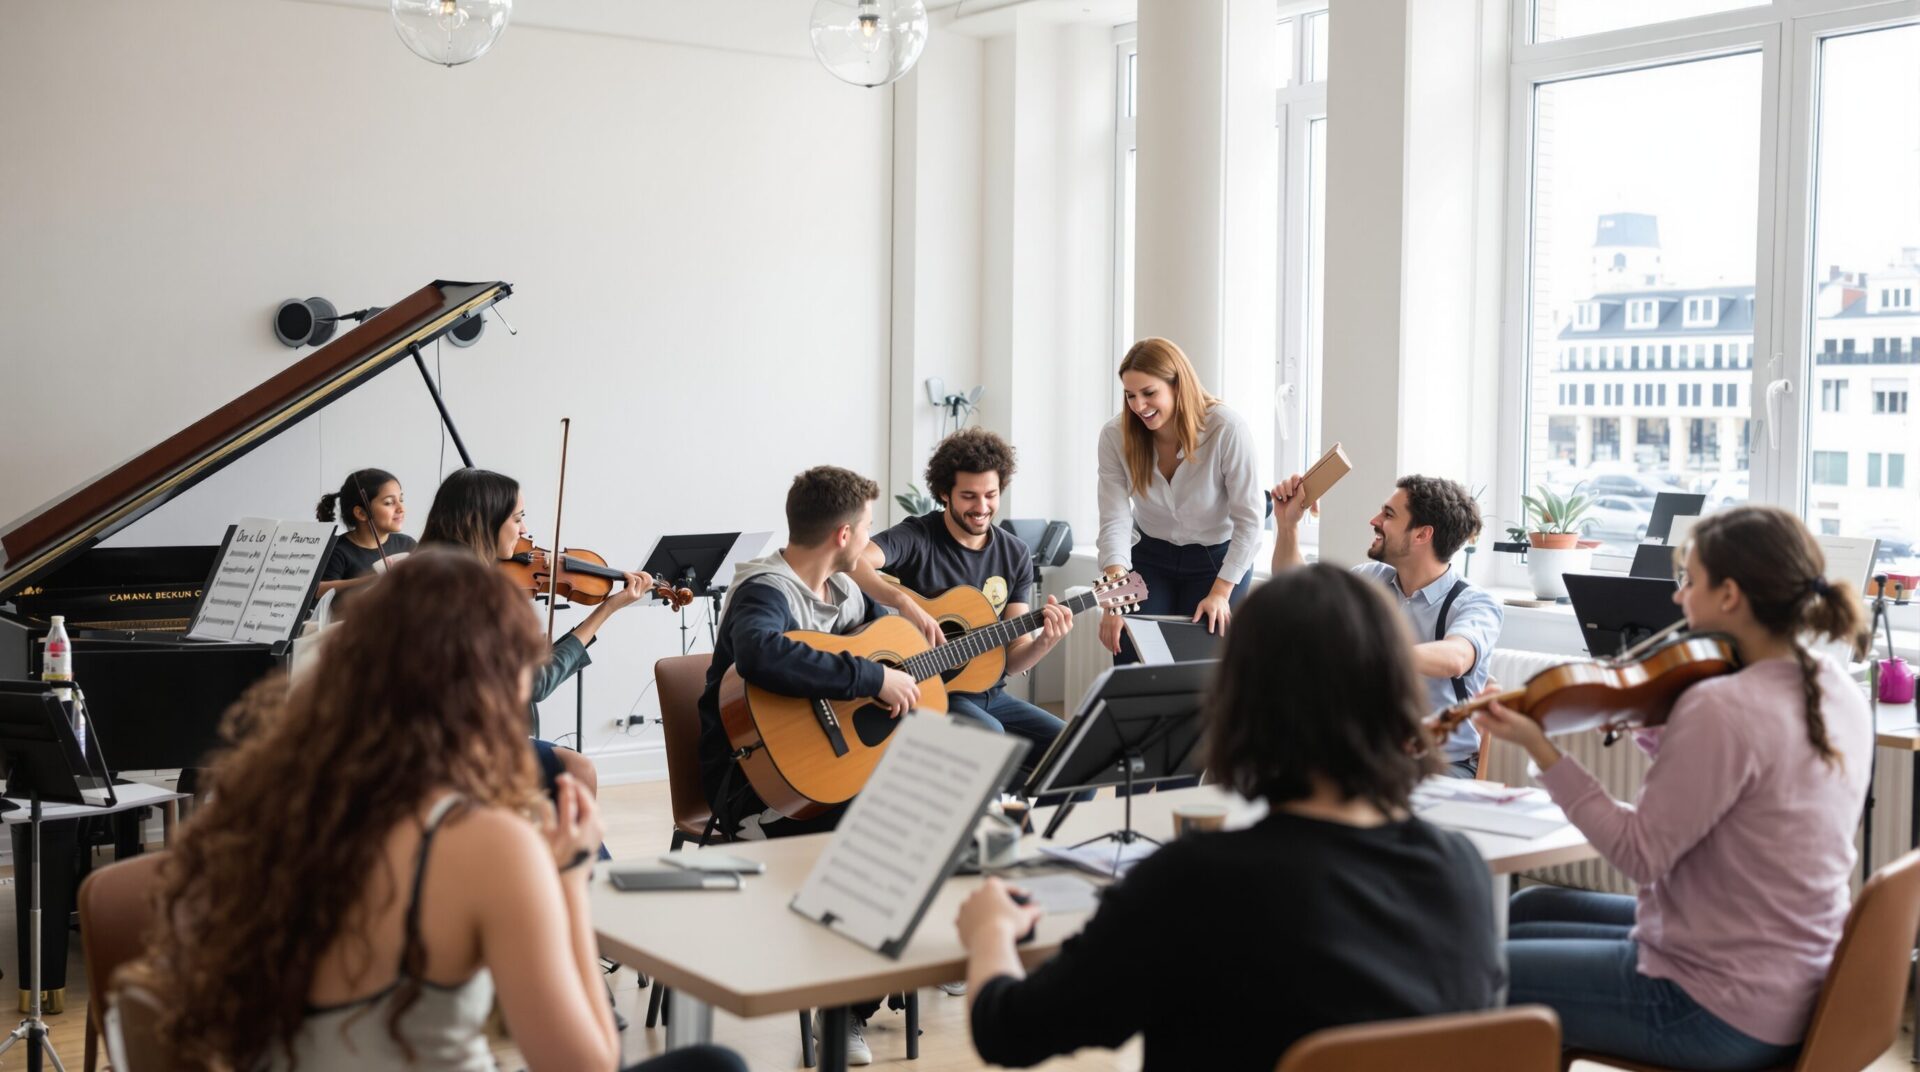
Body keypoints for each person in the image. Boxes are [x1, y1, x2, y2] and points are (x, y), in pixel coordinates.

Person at [130, 549, 746, 1072]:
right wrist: (564, 884)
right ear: (489, 683)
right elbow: (587, 1063)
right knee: (716, 1063)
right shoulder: (485, 842)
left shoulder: (258, 807)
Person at [955, 564, 1504, 1071]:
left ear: (1241, 701)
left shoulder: (1195, 882)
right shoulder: (1460, 870)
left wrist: (991, 931)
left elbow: (1010, 1030)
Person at [1479, 504, 1872, 1070]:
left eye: (1689, 580)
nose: (1678, 596)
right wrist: (1651, 722)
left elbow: (1639, 854)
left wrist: (1540, 749)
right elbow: (1732, 784)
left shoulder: (1723, 706)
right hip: (1790, 975)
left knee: (1473, 972)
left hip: (1713, 1006)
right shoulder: (1834, 684)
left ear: (1730, 595)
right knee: (1530, 907)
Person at [696, 465, 916, 1064]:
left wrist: (890, 662)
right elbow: (760, 654)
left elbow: (877, 649)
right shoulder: (764, 589)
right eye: (866, 527)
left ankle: (866, 983)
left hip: (821, 769)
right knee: (881, 836)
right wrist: (870, 678)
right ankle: (843, 1011)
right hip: (753, 785)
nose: (870, 538)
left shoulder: (843, 591)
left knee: (922, 813)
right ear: (843, 536)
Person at [850, 429, 1073, 785]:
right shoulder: (917, 537)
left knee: (1074, 750)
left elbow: (1013, 659)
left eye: (991, 495)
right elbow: (854, 561)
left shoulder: (1014, 553)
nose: (982, 508)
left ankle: (1021, 815)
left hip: (991, 694)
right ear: (945, 493)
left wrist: (1045, 642)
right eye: (969, 496)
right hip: (931, 690)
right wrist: (904, 601)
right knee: (989, 737)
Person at [420, 467, 651, 799]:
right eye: (517, 519)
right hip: (463, 746)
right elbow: (537, 685)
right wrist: (607, 609)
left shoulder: (424, 574)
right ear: (478, 521)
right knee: (579, 770)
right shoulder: (476, 594)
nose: (524, 531)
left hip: (426, 737)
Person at [1271, 472, 1499, 777]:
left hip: (1441, 767)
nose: (1374, 520)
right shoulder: (1369, 579)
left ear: (1422, 535)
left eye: (1388, 515)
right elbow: (1295, 591)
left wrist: (1368, 652)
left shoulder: (1475, 603)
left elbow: (1455, 657)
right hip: (1366, 761)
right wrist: (1288, 526)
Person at [1095, 337, 1262, 661]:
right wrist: (1114, 598)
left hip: (1216, 559)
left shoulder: (1227, 429)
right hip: (1150, 555)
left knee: (1200, 659)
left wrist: (1220, 593)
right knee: (1129, 643)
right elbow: (1114, 519)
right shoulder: (1114, 435)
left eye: (1149, 393)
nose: (1138, 406)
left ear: (1178, 385)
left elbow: (1250, 520)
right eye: (1130, 395)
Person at [315, 467, 416, 598]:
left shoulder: (407, 544)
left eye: (401, 500)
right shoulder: (336, 550)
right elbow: (318, 591)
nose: (401, 508)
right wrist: (373, 579)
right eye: (389, 502)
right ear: (361, 513)